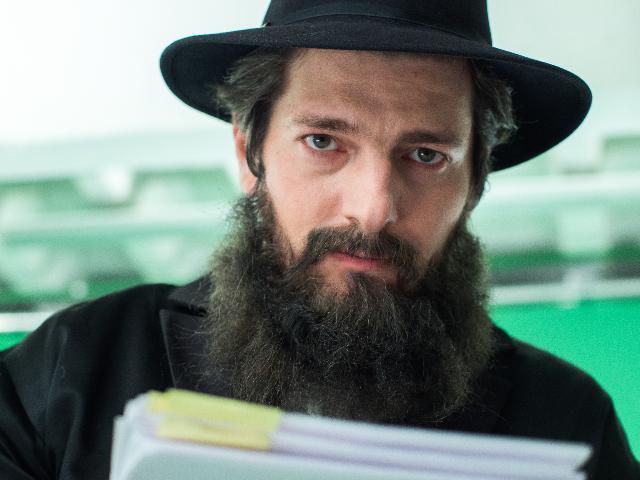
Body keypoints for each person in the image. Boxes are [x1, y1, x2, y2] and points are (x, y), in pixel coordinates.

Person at [0, 0, 638, 479]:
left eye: (426, 155)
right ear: (248, 151)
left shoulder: (567, 421)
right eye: (324, 142)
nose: (373, 209)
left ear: (474, 181)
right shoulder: (72, 370)